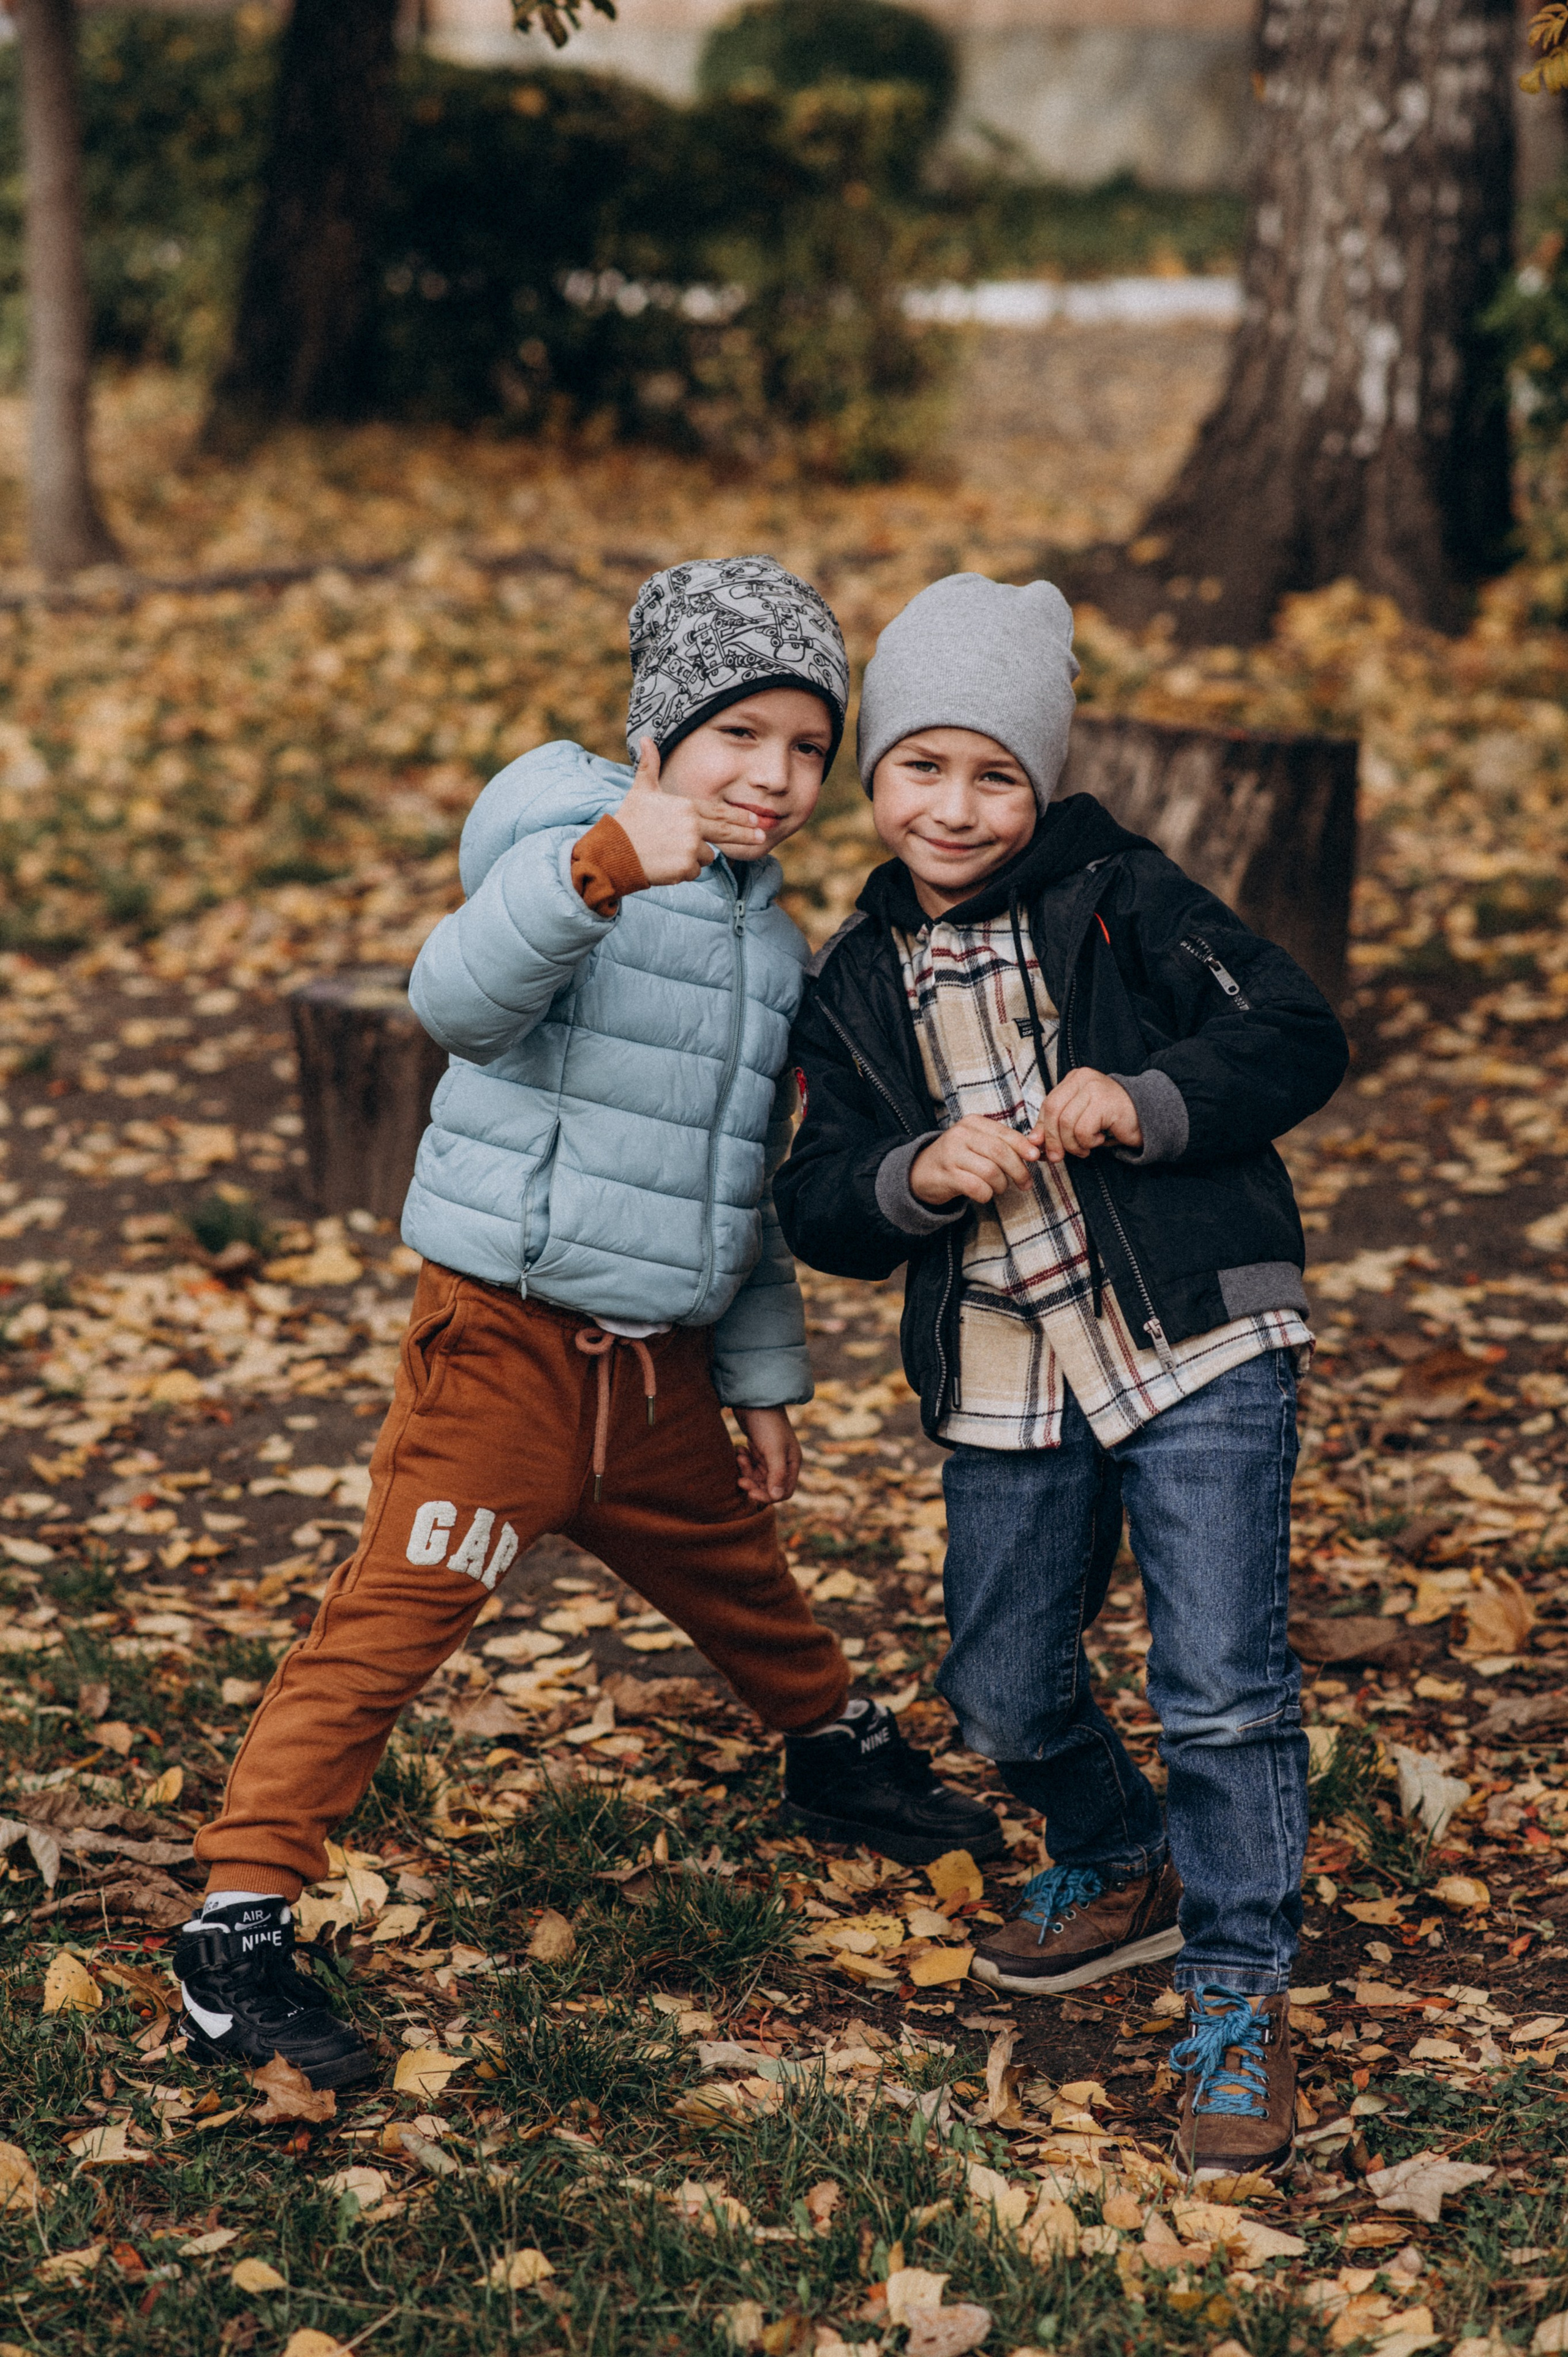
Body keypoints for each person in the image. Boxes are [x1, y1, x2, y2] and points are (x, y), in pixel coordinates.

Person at [176, 557, 1000, 2089]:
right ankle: (235, 1923)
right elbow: (453, 999)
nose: (774, 774)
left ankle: (832, 1756)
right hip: (506, 1352)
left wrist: (762, 1379)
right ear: (659, 730)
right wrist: (598, 872)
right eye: (738, 734)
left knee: (746, 1585)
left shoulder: (768, 938)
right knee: (387, 1626)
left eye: (809, 747)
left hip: (666, 1372)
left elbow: (732, 1177)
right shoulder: (565, 851)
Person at [774, 573, 1348, 2176]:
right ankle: (1118, 1855)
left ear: (1041, 782)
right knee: (1001, 1682)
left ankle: (1239, 1980)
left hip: (1196, 1334)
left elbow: (1295, 1033)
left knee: (1221, 1679)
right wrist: (913, 1176)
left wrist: (1148, 1096)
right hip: (1013, 1364)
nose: (954, 808)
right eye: (919, 769)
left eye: (994, 774)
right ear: (874, 777)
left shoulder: (1127, 899)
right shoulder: (853, 978)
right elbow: (821, 1202)